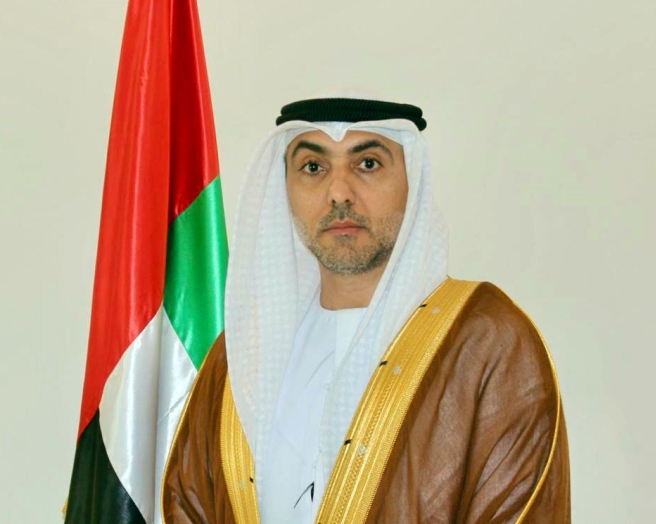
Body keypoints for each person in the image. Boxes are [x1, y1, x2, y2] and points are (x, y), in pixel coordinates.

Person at [162, 96, 571, 523]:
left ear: (412, 182)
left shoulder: (486, 341)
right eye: (313, 167)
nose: (339, 192)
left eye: (368, 164)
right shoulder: (242, 355)